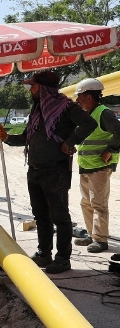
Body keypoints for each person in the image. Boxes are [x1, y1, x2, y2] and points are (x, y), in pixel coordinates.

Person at [0, 70, 97, 274]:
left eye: (33, 85)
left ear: (45, 88)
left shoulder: (66, 107)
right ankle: (44, 254)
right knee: (41, 215)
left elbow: (89, 123)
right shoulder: (37, 111)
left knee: (60, 216)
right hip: (35, 170)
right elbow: (26, 138)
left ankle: (62, 259)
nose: (30, 89)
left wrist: (70, 142)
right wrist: (5, 137)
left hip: (55, 170)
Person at [73, 78, 120, 253]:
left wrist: (110, 149)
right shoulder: (87, 114)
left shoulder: (103, 113)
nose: (77, 100)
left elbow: (119, 131)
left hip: (99, 166)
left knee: (98, 203)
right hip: (86, 166)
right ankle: (92, 235)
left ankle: (101, 240)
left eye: (79, 96)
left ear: (88, 97)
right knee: (86, 202)